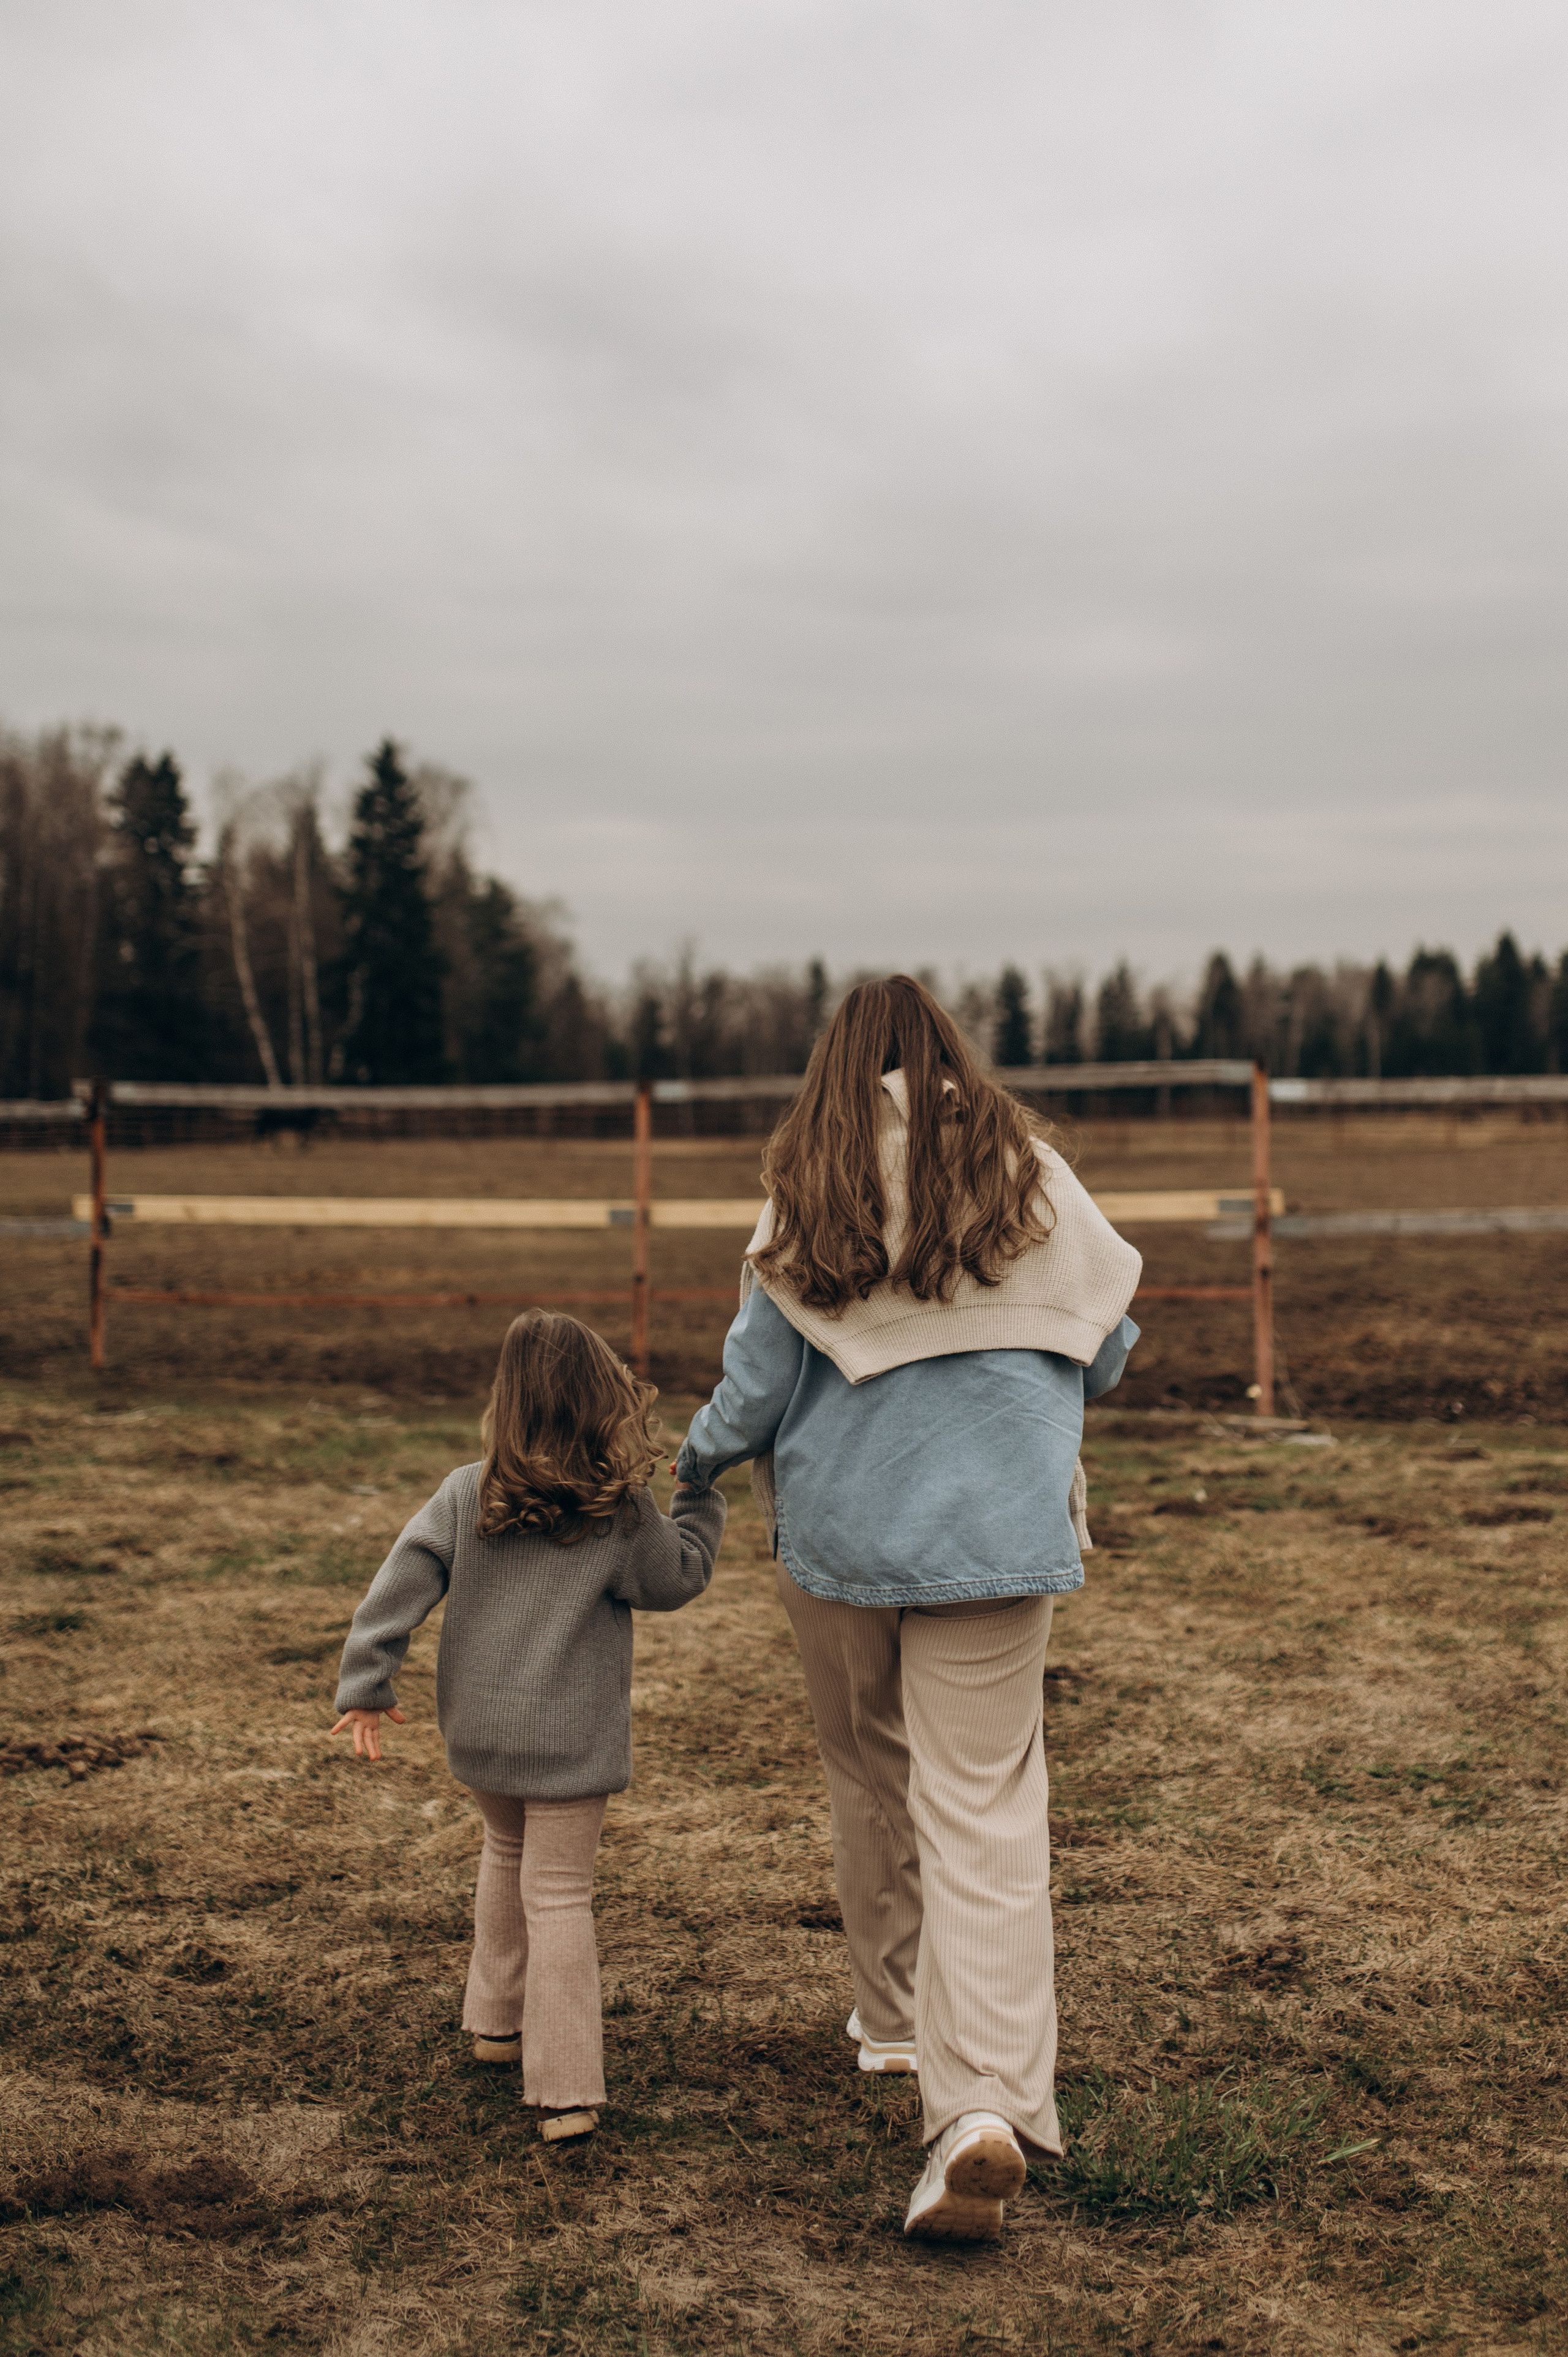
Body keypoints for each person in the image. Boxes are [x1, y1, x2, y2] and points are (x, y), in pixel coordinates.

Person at [675, 975, 1140, 2239]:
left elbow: (754, 1386)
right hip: (999, 1532)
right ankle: (978, 2106)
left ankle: (890, 2022)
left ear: (834, 1063)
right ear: (948, 1053)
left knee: (867, 1763)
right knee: (982, 1801)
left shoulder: (809, 1183)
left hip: (841, 1536)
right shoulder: (1026, 1170)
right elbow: (1104, 1343)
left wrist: (693, 1461)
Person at [332, 1310, 725, 2144]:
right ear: (603, 1402)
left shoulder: (464, 1492)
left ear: (505, 1402)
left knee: (504, 1855)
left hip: (481, 1735)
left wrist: (366, 1683)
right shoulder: (620, 1511)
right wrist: (698, 1499)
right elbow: (677, 1579)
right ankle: (566, 2089)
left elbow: (396, 1586)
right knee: (558, 1896)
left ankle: (494, 2024)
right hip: (569, 1744)